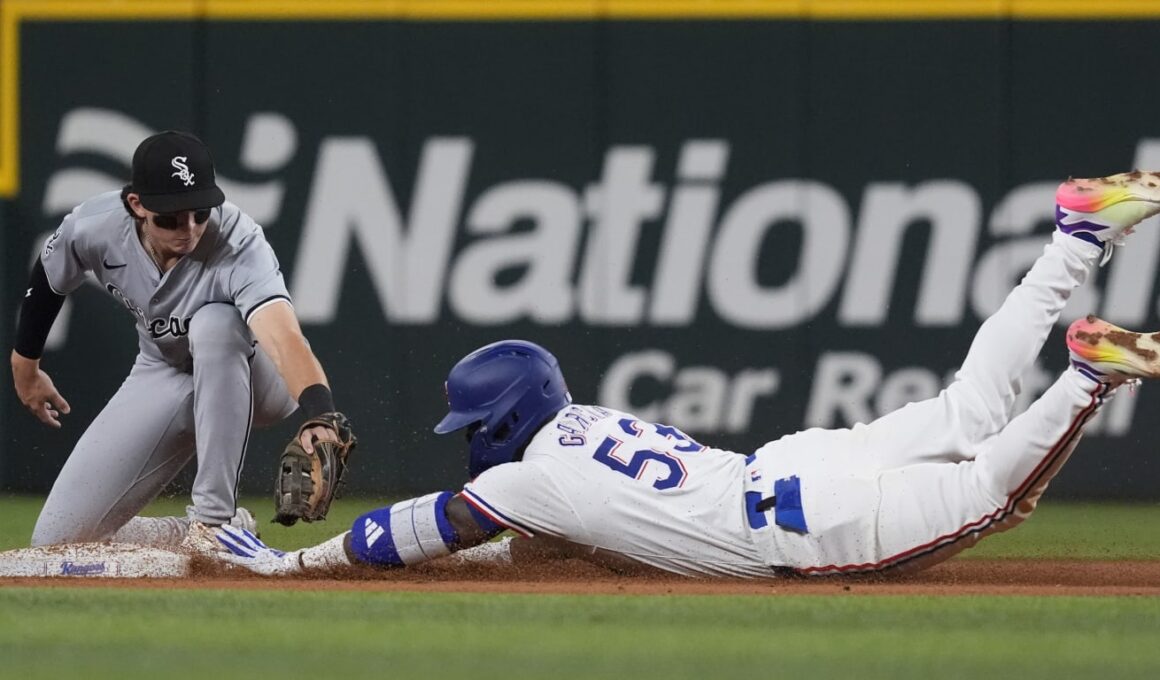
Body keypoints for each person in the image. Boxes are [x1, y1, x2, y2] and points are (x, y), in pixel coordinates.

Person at [217, 170, 1160, 578]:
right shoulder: (583, 431)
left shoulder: (524, 478)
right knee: (972, 404)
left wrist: (297, 561)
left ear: (502, 422)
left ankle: (1087, 376)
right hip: (800, 465)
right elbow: (556, 533)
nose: (470, 447)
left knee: (996, 493)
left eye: (472, 429)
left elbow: (417, 528)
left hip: (809, 525)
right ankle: (1074, 238)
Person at [10, 130, 345, 554]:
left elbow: (283, 336)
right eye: (170, 217)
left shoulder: (238, 242)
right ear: (136, 205)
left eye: (200, 213)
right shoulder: (95, 226)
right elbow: (48, 277)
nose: (188, 229)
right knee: (57, 541)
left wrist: (321, 414)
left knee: (216, 323)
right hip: (164, 370)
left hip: (258, 377)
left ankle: (214, 523)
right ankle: (194, 535)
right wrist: (26, 365)